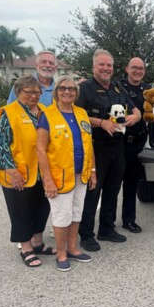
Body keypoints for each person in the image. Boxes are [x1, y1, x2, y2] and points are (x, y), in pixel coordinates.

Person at [76, 49, 142, 252]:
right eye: (102, 65)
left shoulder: (118, 88)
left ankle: (106, 228)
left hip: (117, 146)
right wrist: (100, 122)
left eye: (109, 65)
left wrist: (135, 117)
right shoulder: (84, 89)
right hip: (96, 147)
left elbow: (136, 109)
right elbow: (75, 116)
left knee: (113, 190)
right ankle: (86, 234)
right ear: (94, 67)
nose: (106, 68)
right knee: (92, 192)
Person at [37, 76, 97, 271]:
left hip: (81, 174)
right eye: (63, 88)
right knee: (62, 215)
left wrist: (93, 171)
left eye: (71, 89)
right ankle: (61, 252)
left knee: (76, 213)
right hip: (59, 176)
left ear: (76, 93)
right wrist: (47, 179)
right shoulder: (47, 115)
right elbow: (40, 149)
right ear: (57, 92)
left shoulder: (81, 113)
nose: (67, 92)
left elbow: (89, 144)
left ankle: (73, 248)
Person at [0, 74, 54, 267]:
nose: (34, 96)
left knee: (41, 208)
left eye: (37, 92)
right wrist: (11, 170)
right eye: (29, 92)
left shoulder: (45, 111)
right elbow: (0, 143)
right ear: (18, 92)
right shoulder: (8, 112)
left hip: (41, 173)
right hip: (18, 173)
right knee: (21, 211)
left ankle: (37, 243)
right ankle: (26, 248)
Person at [117, 57, 151, 234]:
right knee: (112, 185)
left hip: (138, 143)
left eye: (141, 69)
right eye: (134, 68)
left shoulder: (148, 91)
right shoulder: (118, 87)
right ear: (127, 69)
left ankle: (128, 220)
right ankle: (106, 223)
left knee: (131, 184)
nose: (138, 71)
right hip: (119, 143)